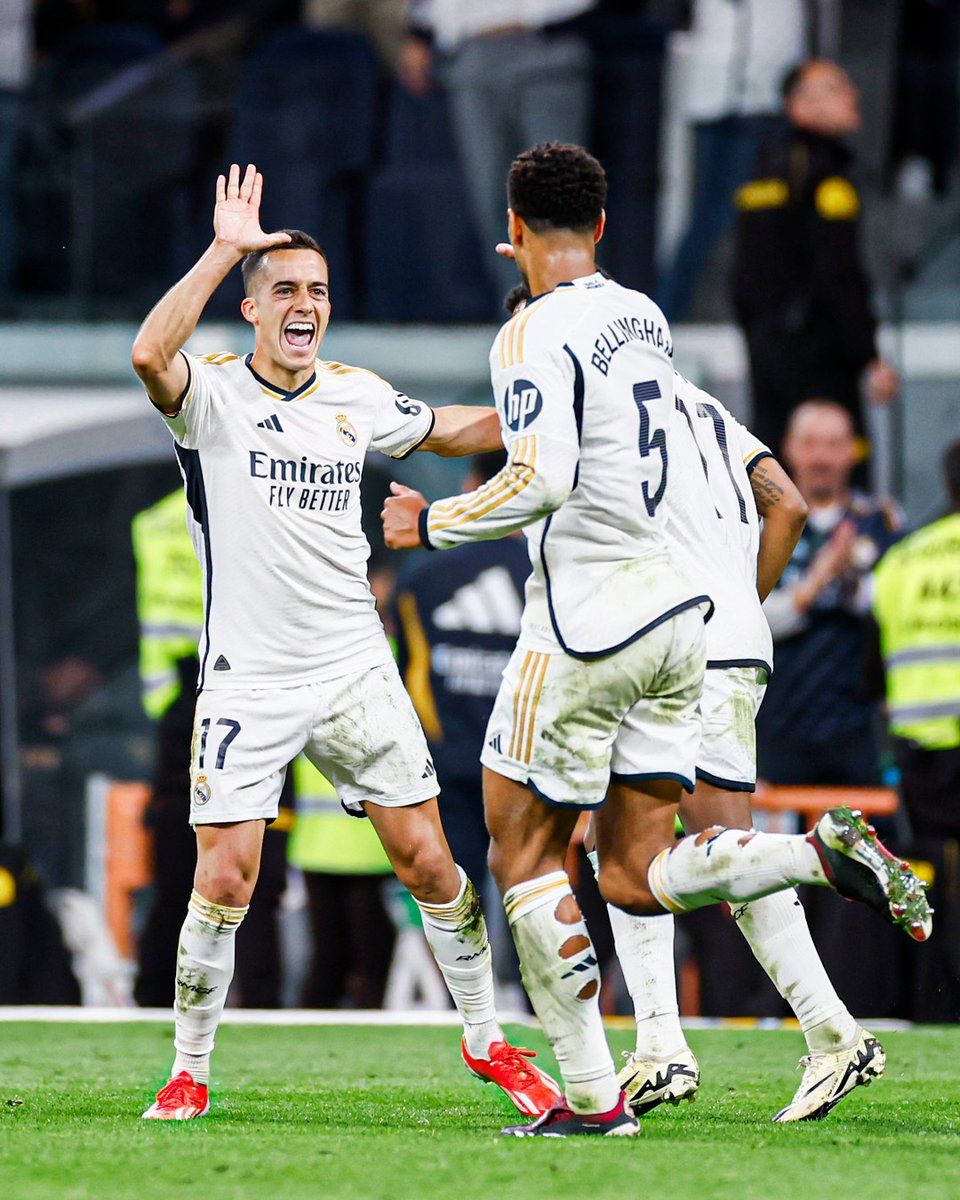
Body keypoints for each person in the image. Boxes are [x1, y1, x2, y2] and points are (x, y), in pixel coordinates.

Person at [382, 142, 931, 1138]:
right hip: (696, 624)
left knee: (532, 847)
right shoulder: (659, 349)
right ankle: (663, 1045)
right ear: (602, 228)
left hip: (610, 621)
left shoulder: (534, 342)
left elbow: (536, 468)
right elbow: (789, 499)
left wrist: (437, 525)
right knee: (629, 864)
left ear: (513, 237)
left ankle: (800, 1020)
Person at [132, 163, 561, 1121]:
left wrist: (551, 410)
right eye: (283, 289)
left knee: (432, 863)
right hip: (250, 678)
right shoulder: (210, 396)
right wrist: (223, 251)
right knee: (225, 876)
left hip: (355, 669)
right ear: (250, 308)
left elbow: (448, 430)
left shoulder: (354, 394)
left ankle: (490, 1042)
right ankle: (190, 1067)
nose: (304, 305)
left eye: (317, 292)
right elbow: (148, 356)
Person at [731, 59, 899, 458]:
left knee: (774, 466)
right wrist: (868, 356)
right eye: (836, 87)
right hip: (822, 356)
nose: (853, 96)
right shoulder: (828, 176)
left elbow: (743, 278)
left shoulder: (761, 169)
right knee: (837, 462)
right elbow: (838, 273)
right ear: (799, 106)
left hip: (765, 352)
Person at [394, 449, 529, 892]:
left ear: (471, 488)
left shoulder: (424, 574)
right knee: (534, 886)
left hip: (446, 761)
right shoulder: (545, 573)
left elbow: (409, 673)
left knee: (455, 896)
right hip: (524, 760)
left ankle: (468, 966)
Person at [400, 0, 594, 300]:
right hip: (471, 49)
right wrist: (419, 32)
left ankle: (577, 309)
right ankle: (521, 312)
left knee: (559, 192)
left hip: (546, 39)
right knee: (494, 196)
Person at [758, 400, 903, 786]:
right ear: (788, 447)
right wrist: (819, 579)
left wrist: (853, 584)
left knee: (868, 840)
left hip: (857, 728)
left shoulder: (880, 522)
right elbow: (749, 618)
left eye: (833, 444)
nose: (821, 457)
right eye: (809, 443)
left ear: (853, 451)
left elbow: (896, 611)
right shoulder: (759, 522)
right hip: (779, 726)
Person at [656, 0, 806, 320]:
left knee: (771, 215)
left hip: (770, 89)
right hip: (714, 87)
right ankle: (667, 313)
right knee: (711, 216)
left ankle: (771, 313)